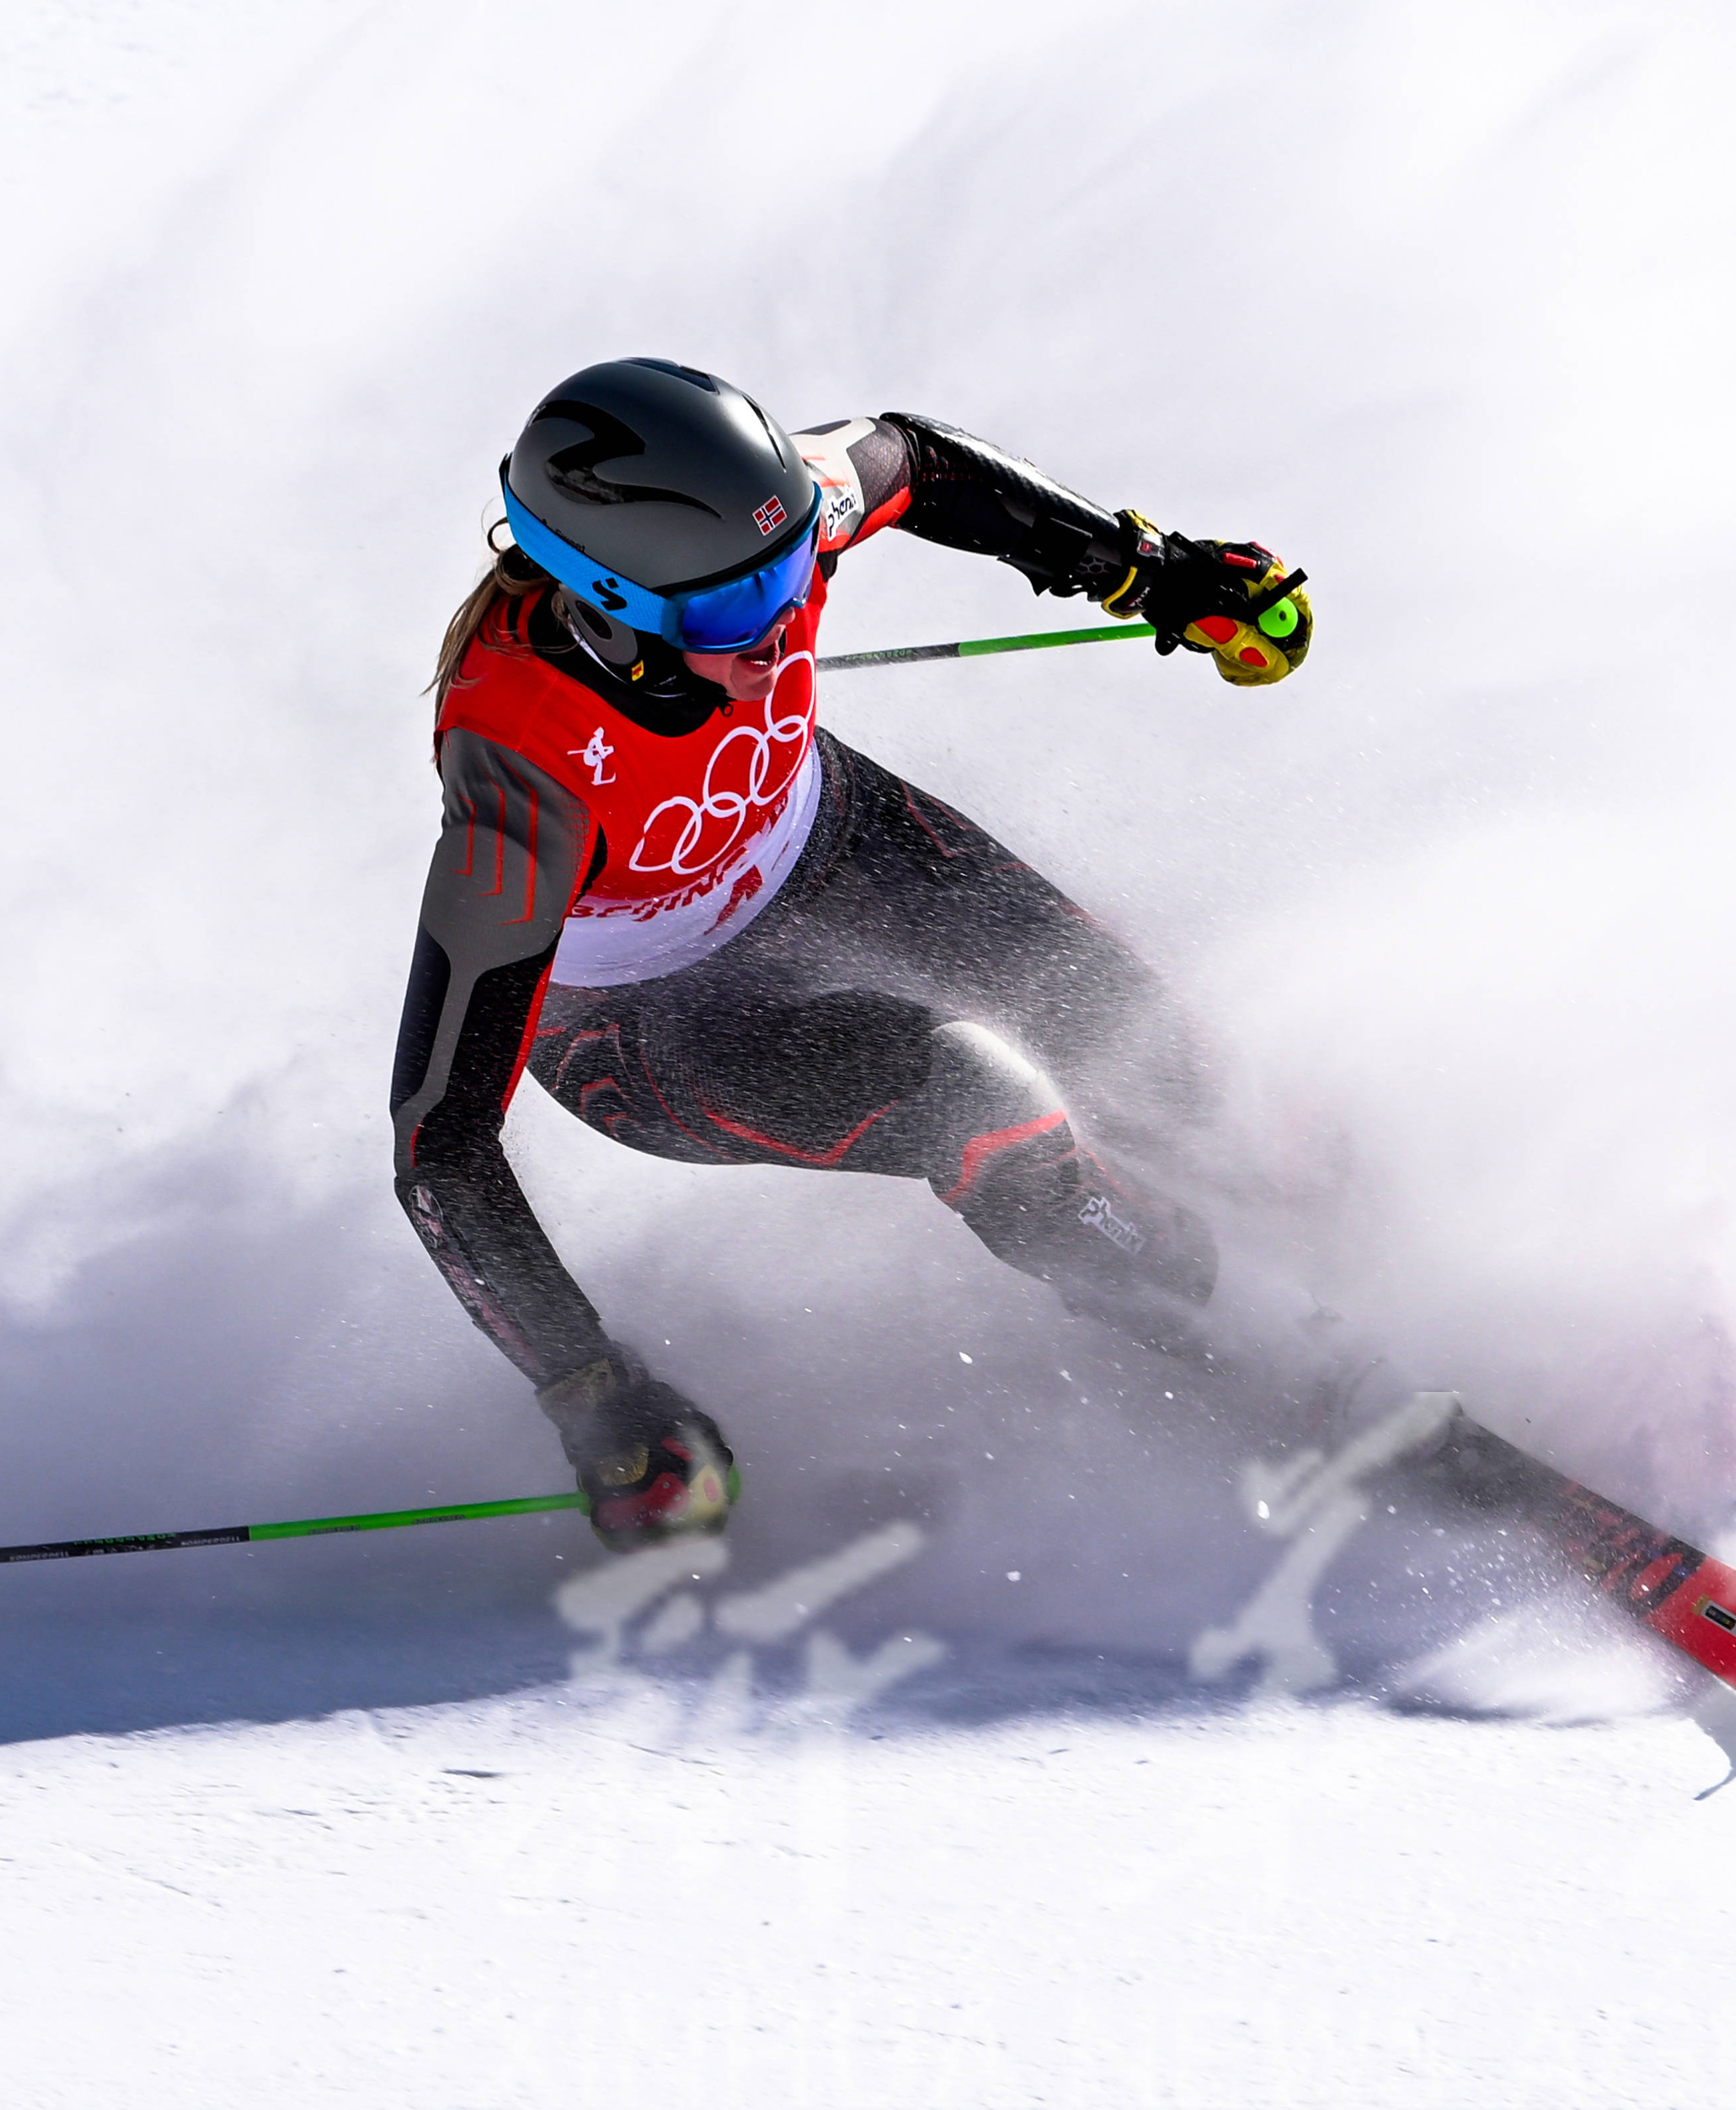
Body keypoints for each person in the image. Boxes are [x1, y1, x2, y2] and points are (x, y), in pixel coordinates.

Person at [389, 357, 1314, 1550]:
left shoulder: (768, 530)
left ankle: (1326, 1215)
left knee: (1154, 1056)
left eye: (790, 577)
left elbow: (911, 458)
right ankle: (1219, 1320)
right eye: (730, 612)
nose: (779, 631)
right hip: (660, 1025)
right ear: (606, 605)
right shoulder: (524, 771)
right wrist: (593, 1395)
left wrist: (1152, 572)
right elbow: (439, 1145)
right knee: (983, 1106)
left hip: (834, 839)